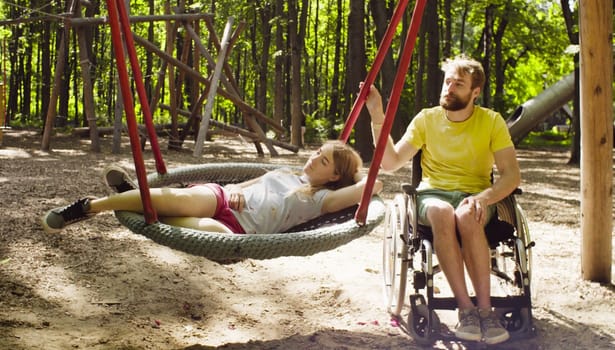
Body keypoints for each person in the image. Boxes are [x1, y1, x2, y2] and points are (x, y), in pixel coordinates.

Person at [364, 55, 520, 345]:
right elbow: (390, 161)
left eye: (458, 84)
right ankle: (467, 310)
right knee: (441, 210)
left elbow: (511, 176)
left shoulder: (491, 122)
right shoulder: (427, 119)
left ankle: (486, 312)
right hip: (432, 196)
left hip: (475, 196)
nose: (448, 88)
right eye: (447, 81)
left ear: (475, 92)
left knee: (465, 213)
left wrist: (484, 198)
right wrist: (377, 115)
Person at [42, 140, 383, 235]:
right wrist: (236, 191)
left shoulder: (322, 199)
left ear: (335, 177)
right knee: (185, 200)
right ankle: (88, 206)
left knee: (206, 232)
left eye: (323, 161)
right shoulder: (282, 171)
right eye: (316, 153)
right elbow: (249, 184)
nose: (312, 159)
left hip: (235, 228)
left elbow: (374, 184)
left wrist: (378, 116)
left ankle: (130, 199)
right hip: (221, 197)